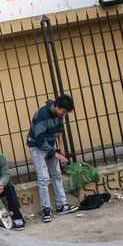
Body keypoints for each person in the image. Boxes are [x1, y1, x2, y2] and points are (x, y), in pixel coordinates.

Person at [27, 94, 79, 223]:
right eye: (63, 111)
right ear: (56, 106)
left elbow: (60, 129)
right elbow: (38, 137)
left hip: (50, 145)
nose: (64, 114)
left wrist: (59, 146)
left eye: (66, 112)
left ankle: (62, 205)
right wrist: (52, 152)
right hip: (37, 145)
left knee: (57, 174)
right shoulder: (41, 115)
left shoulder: (59, 115)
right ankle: (46, 209)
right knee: (44, 178)